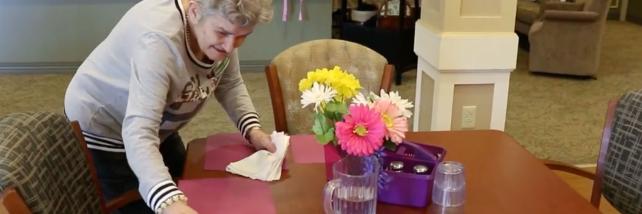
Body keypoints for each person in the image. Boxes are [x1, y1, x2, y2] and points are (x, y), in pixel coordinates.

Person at [64, 0, 275, 213]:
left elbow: (229, 82)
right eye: (222, 33)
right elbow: (140, 132)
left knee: (190, 185)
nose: (229, 47)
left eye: (241, 37)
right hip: (106, 125)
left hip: (158, 120)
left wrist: (252, 130)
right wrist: (169, 202)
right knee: (151, 203)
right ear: (194, 12)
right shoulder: (158, 41)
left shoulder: (222, 25)